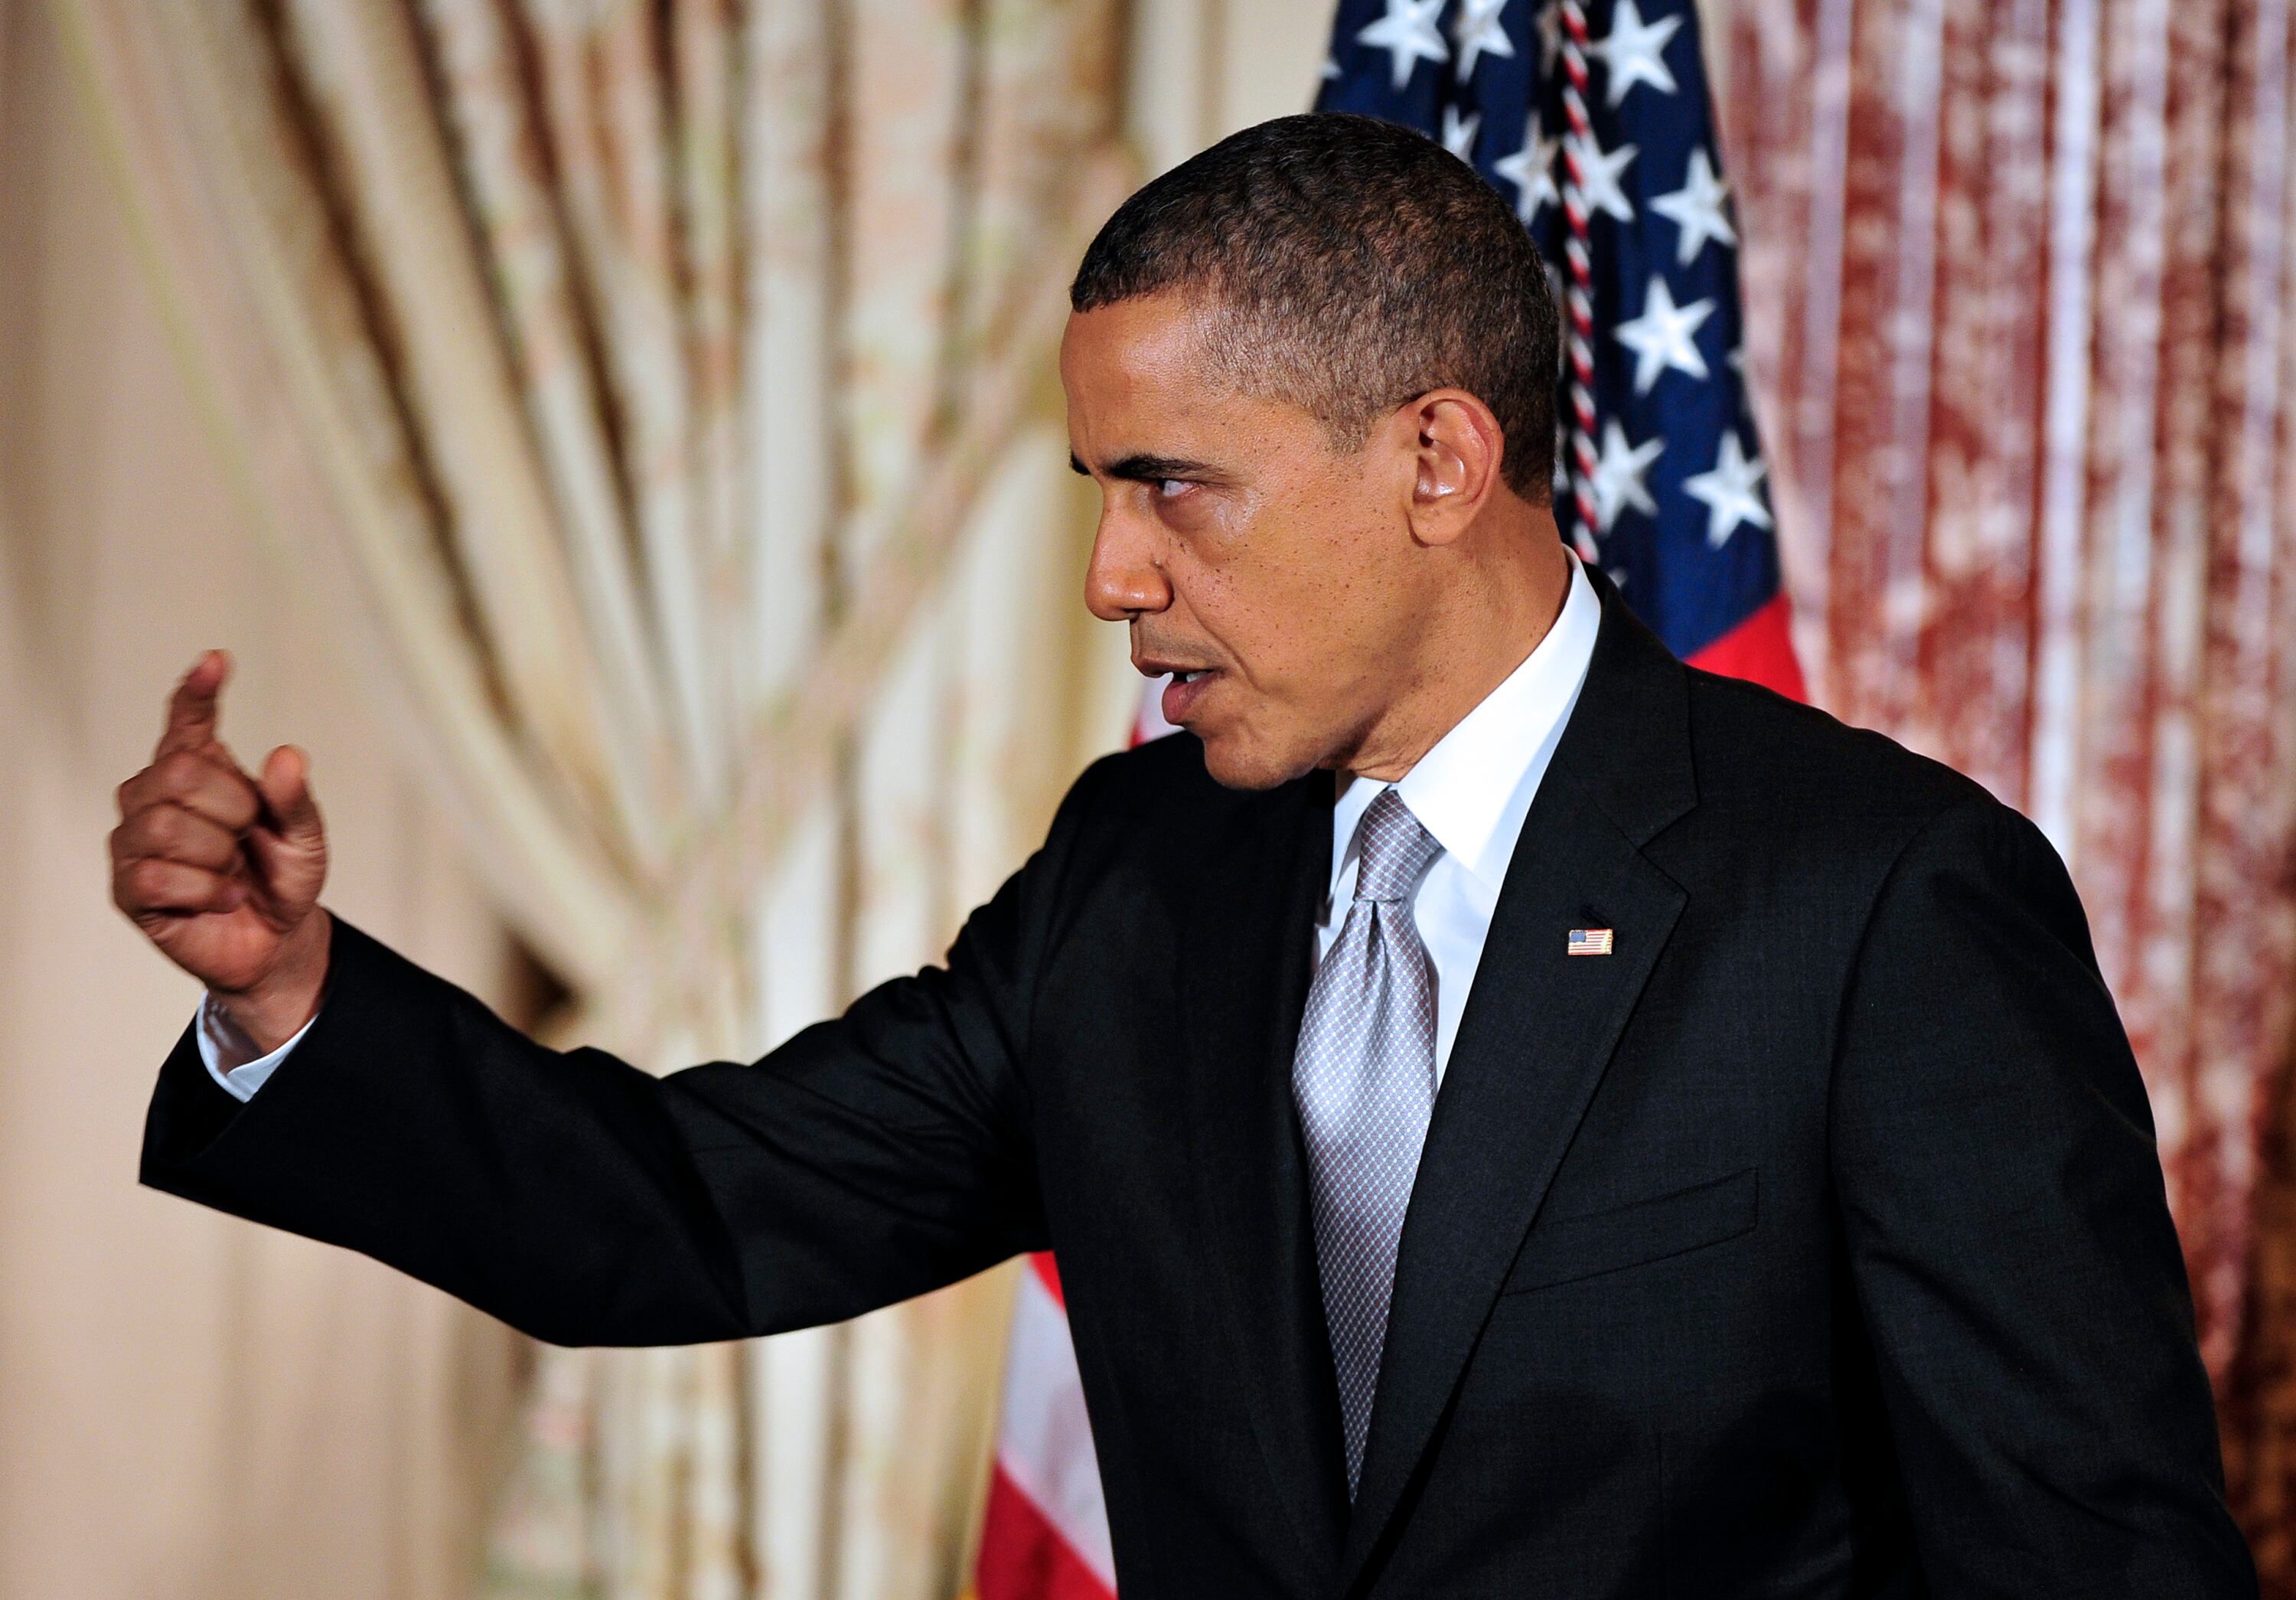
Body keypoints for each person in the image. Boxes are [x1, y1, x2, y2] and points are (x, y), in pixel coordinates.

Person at [111, 113, 2253, 1597]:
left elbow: (2086, 1560)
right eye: (1093, 488)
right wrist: (286, 997)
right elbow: (692, 1210)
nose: (1111, 572)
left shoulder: (1880, 905)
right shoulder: (1138, 879)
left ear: (1437, 454)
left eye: (1175, 488)